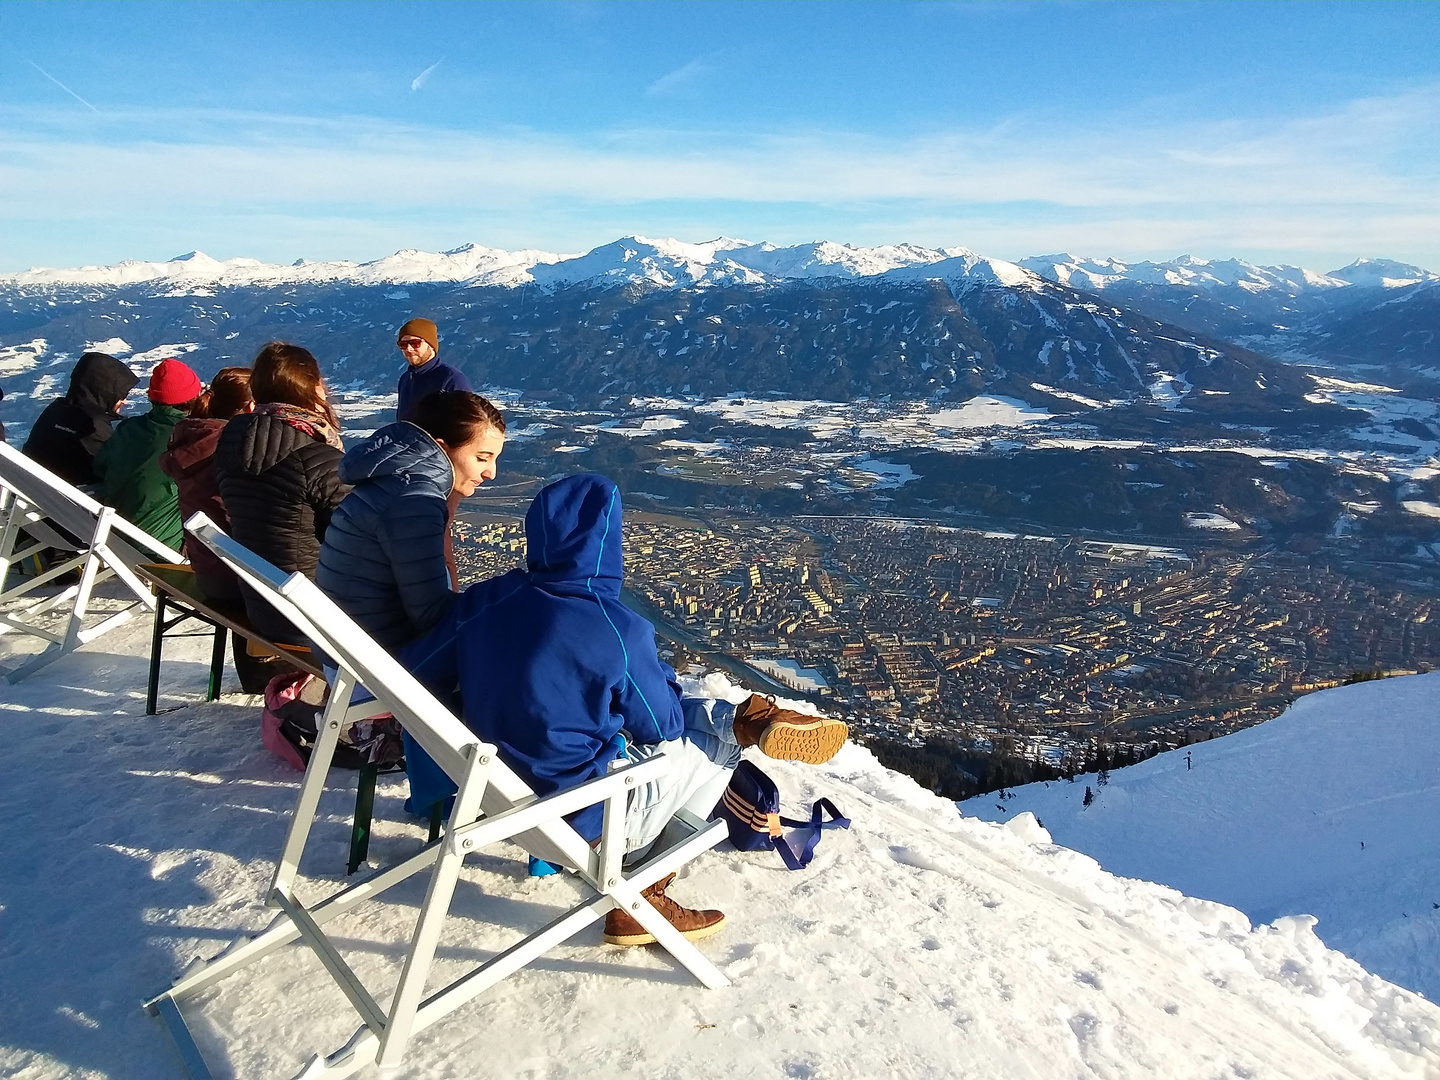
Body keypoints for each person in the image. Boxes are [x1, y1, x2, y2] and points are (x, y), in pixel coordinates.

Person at [401, 473, 849, 945]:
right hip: (581, 816)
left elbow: (419, 670)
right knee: (718, 746)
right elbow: (662, 727)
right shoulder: (617, 628)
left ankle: (747, 719)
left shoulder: (486, 600)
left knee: (637, 716)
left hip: (490, 796)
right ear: (608, 541)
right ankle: (647, 892)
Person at [317, 390, 505, 654]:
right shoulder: (414, 501)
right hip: (377, 661)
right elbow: (431, 613)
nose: (491, 473)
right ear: (441, 446)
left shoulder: (392, 480)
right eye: (482, 458)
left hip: (351, 645)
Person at [214, 342, 349, 646]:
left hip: (263, 604)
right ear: (313, 388)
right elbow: (361, 541)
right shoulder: (317, 459)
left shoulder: (230, 443)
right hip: (314, 618)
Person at [92, 358, 202, 550]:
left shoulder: (128, 428)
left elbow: (99, 467)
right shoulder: (191, 439)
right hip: (161, 548)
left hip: (113, 537)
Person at [23, 351, 138, 486]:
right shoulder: (94, 428)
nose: (124, 401)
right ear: (104, 393)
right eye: (122, 395)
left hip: (29, 492)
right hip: (67, 502)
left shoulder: (54, 411)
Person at [395, 318, 472, 424]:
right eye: (403, 345)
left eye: (415, 343)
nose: (408, 349)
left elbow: (467, 425)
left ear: (431, 344)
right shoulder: (406, 379)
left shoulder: (451, 379)